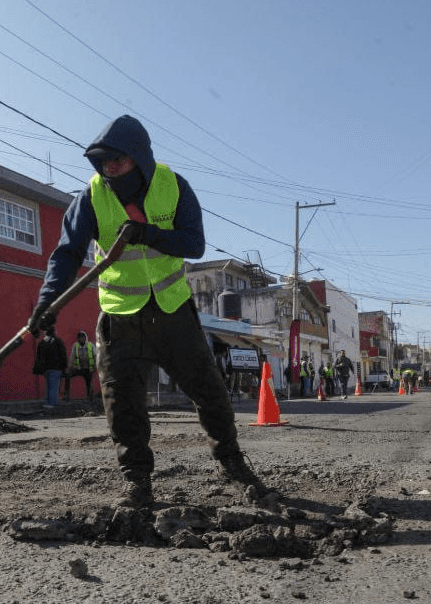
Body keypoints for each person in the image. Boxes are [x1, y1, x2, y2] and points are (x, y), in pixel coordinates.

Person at [27, 114, 267, 509]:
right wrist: (46, 301)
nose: (109, 169)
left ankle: (232, 464)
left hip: (173, 312)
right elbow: (67, 254)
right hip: (120, 318)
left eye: (117, 161)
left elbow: (194, 244)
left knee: (210, 392)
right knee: (122, 404)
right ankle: (136, 481)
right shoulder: (90, 198)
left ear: (139, 158)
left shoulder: (174, 187)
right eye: (103, 163)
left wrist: (147, 233)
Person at [31, 326, 66, 407]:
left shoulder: (42, 342)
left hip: (46, 369)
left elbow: (39, 357)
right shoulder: (58, 342)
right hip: (57, 368)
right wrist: (64, 367)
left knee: (49, 386)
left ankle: (49, 403)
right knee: (54, 387)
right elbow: (63, 355)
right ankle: (52, 404)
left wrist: (39, 369)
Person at [67, 329, 96, 402]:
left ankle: (90, 397)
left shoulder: (90, 345)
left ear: (85, 338)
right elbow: (72, 356)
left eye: (83, 337)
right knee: (68, 375)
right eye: (80, 338)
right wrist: (71, 366)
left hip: (88, 368)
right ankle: (66, 395)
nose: (82, 339)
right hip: (79, 368)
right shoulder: (75, 346)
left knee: (89, 382)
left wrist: (95, 366)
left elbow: (95, 356)